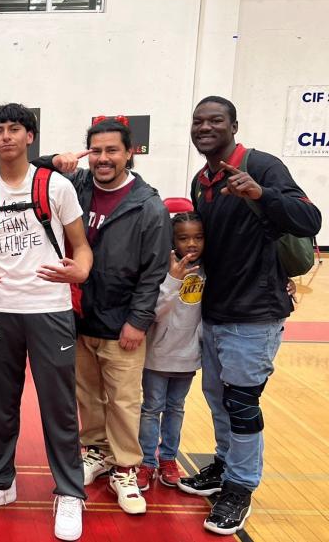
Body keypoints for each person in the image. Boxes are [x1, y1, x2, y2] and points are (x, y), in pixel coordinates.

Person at [179, 96, 321, 535]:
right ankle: (223, 465)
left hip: (255, 315)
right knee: (218, 398)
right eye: (198, 121)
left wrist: (262, 193)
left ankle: (240, 487)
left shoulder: (263, 166)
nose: (205, 127)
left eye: (215, 120)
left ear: (233, 125)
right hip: (216, 310)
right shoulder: (202, 181)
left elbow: (309, 219)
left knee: (242, 403)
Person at [0, 104, 91, 542]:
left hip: (49, 308)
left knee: (57, 406)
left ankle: (70, 492)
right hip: (0, 307)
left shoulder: (55, 185)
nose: (7, 137)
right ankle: (0, 481)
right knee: (0, 401)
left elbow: (81, 247)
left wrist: (81, 271)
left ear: (30, 136)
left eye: (15, 129)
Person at [63, 117, 170, 516]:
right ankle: (96, 452)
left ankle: (126, 467)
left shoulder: (149, 206)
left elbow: (154, 271)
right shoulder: (77, 187)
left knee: (125, 401)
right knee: (87, 396)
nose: (103, 158)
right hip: (78, 316)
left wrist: (138, 321)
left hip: (121, 320)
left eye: (112, 150)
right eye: (96, 150)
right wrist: (59, 161)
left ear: (130, 153)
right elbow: (28, 169)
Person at [136, 211, 205, 492]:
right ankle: (145, 462)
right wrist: (173, 281)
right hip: (157, 356)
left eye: (198, 237)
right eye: (184, 237)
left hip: (188, 356)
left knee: (176, 409)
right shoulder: (161, 269)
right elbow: (154, 312)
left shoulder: (207, 270)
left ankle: (168, 459)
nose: (191, 244)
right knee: (151, 409)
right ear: (172, 240)